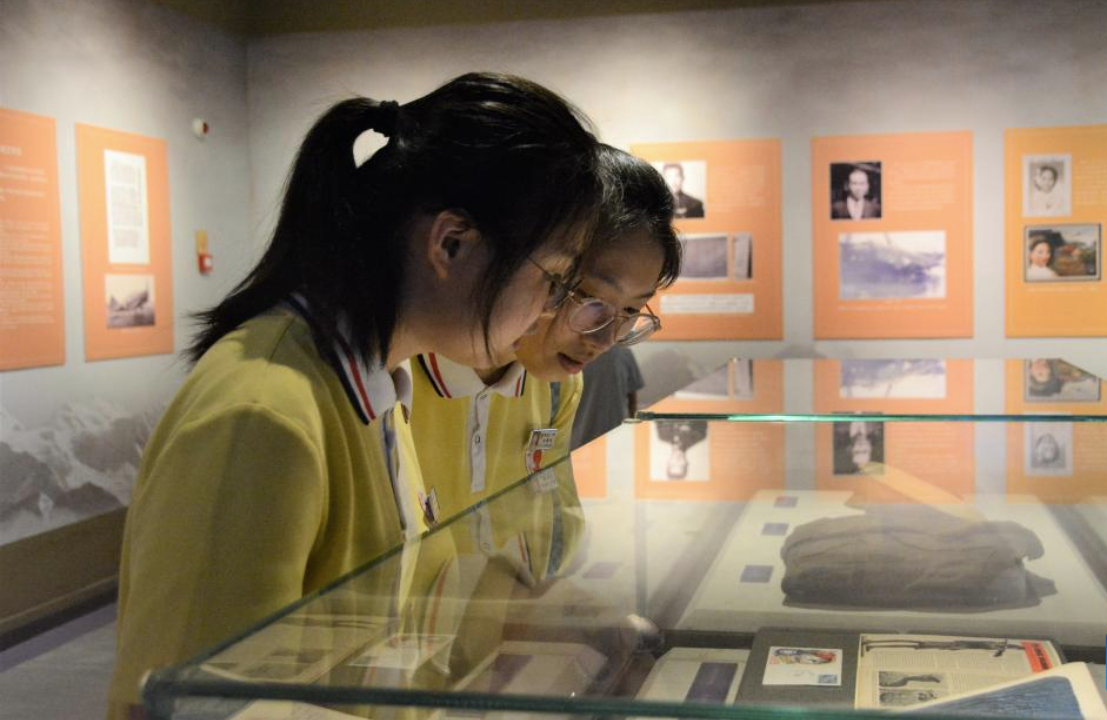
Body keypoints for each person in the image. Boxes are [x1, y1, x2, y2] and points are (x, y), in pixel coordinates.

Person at [107, 73, 603, 719]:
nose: (551, 311)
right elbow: (202, 701)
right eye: (555, 278)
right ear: (451, 244)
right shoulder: (262, 413)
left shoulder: (372, 385)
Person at [409, 144, 681, 522]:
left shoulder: (558, 386)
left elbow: (550, 527)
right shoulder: (396, 377)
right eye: (589, 297)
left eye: (632, 310)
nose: (603, 341)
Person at [570, 344, 644, 450]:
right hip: (584, 440)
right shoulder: (624, 353)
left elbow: (632, 400)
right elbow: (632, 401)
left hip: (598, 439)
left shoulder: (624, 354)